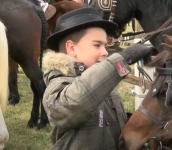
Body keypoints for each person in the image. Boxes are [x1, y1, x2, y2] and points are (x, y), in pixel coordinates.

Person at [43, 8, 154, 150]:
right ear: (71, 48)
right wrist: (122, 59)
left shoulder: (103, 82)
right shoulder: (58, 85)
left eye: (105, 45)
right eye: (97, 45)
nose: (105, 52)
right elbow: (71, 105)